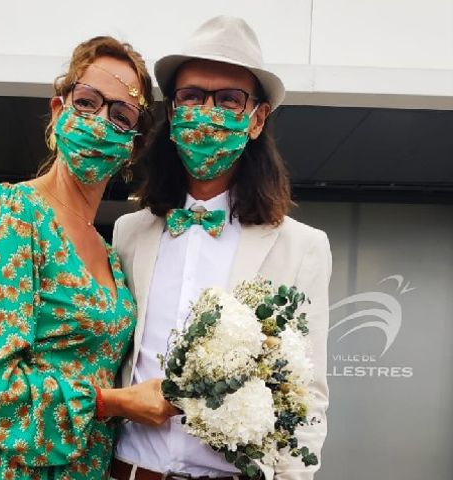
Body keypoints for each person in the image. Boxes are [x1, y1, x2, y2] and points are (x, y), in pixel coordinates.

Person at [111, 16, 332, 480]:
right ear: (172, 112)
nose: (207, 111)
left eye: (229, 99)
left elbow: (307, 395)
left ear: (257, 118)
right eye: (191, 96)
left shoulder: (302, 247)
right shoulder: (129, 233)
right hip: (132, 471)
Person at [0, 36, 174, 480]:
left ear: (131, 145)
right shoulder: (14, 212)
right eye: (87, 102)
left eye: (120, 115)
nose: (98, 123)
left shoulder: (110, 253)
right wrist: (112, 402)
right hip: (18, 469)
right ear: (59, 111)